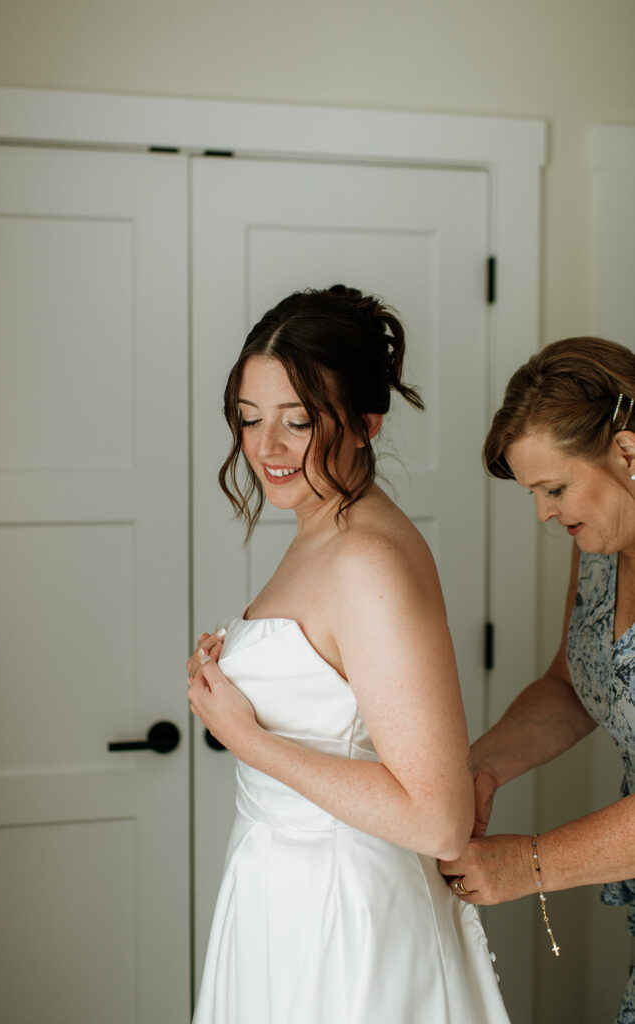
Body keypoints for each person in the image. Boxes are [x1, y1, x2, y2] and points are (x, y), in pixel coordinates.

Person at [187, 285, 509, 1023]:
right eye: (249, 420)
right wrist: (230, 678)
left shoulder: (367, 558)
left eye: (296, 422)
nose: (266, 448)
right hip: (281, 893)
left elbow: (437, 820)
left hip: (342, 913)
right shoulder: (321, 526)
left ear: (367, 423)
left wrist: (249, 737)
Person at [439, 337, 635, 1023]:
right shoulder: (603, 548)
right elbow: (573, 686)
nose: (544, 513)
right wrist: (479, 767)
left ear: (628, 452)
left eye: (554, 488)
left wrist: (529, 863)